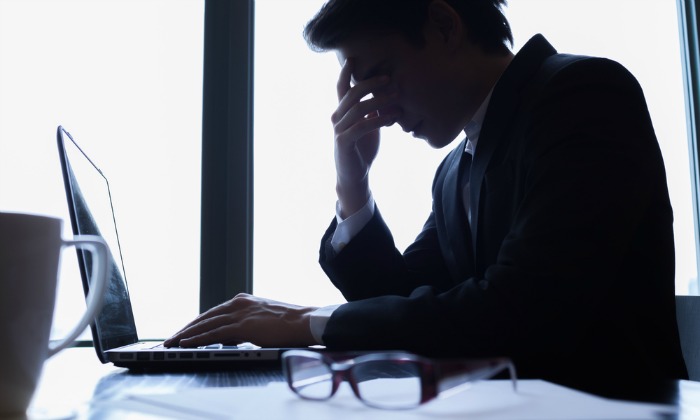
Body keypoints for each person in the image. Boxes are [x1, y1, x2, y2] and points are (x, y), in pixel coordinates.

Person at [165, 0, 688, 397]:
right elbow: (403, 296)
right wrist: (353, 181)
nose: (377, 106)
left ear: (443, 25)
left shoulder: (583, 95)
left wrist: (304, 322)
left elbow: (523, 310)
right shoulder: (455, 169)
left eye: (380, 73)